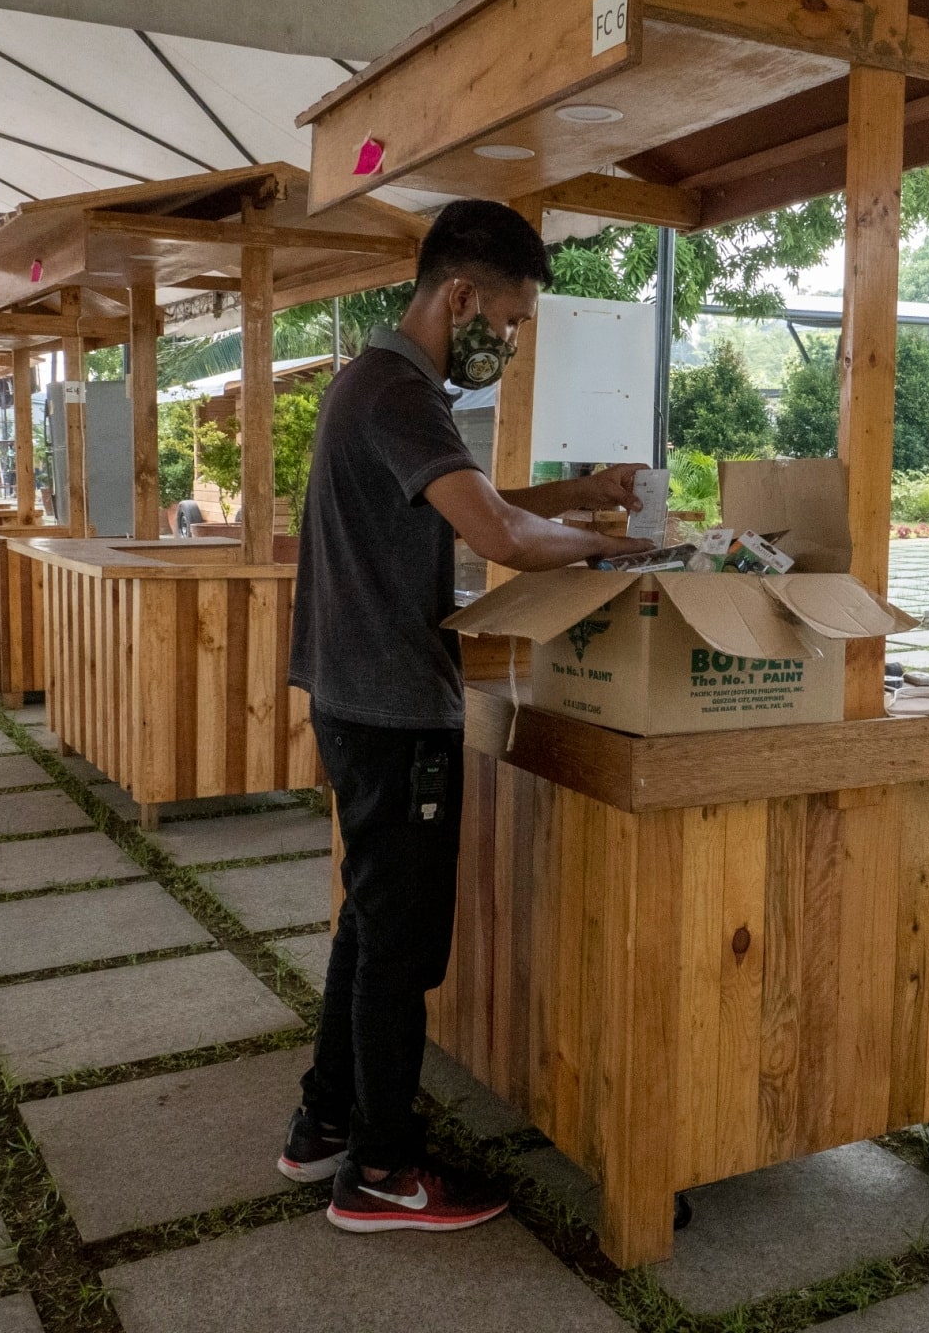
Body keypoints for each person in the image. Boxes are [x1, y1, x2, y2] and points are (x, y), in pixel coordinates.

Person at [278, 199, 652, 1233]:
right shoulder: (396, 392)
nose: (513, 342)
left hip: (360, 697)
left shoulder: (381, 387)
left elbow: (467, 497)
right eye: (512, 320)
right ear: (460, 297)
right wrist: (620, 548)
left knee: (369, 920)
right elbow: (502, 536)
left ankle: (325, 1121)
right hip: (395, 709)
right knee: (401, 948)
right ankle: (383, 1171)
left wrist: (581, 490)